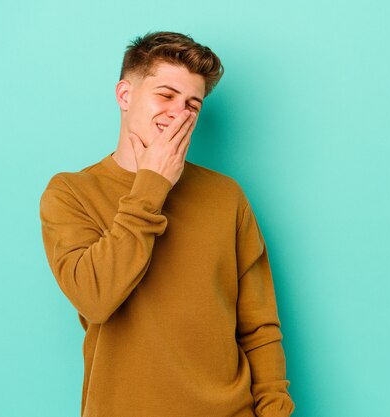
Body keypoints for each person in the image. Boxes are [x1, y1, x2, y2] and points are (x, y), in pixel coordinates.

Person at [39, 31, 295, 417]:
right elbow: (95, 298)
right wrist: (152, 186)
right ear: (125, 95)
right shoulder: (71, 193)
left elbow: (258, 327)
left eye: (193, 104)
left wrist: (275, 410)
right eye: (165, 95)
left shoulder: (226, 197)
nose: (180, 113)